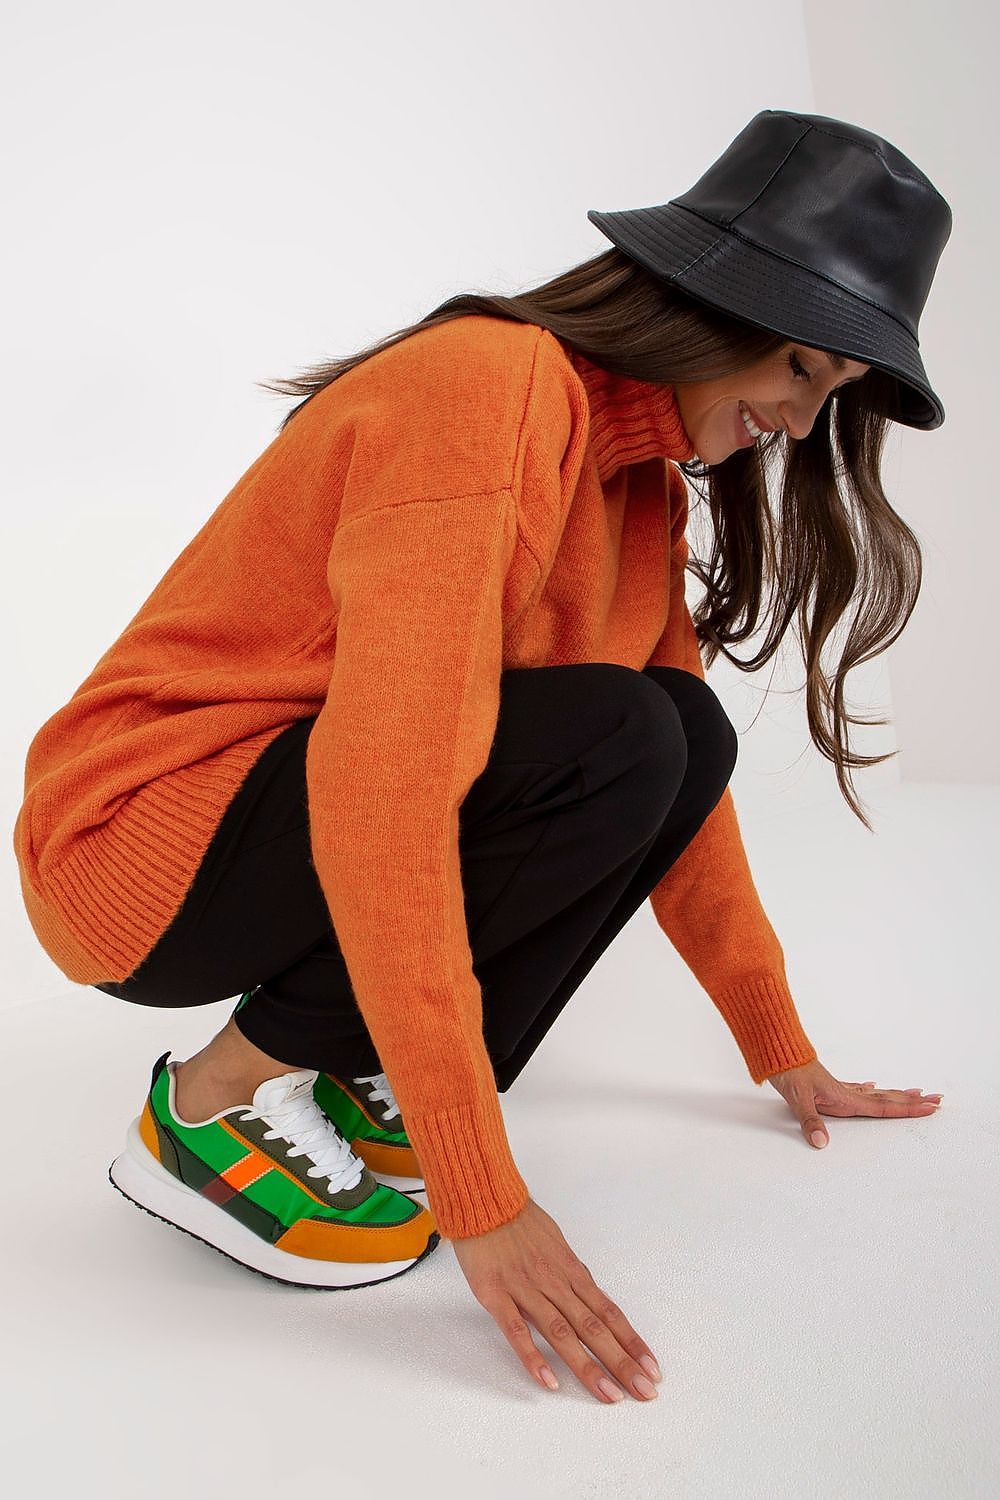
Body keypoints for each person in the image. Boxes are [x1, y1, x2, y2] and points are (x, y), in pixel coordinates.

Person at [11, 110, 950, 1403]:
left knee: (678, 729)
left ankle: (364, 1077)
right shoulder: (486, 388)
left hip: (273, 818)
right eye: (797, 368)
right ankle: (215, 1099)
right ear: (701, 302)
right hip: (139, 845)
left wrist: (775, 1040)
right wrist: (482, 1188)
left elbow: (681, 792)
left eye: (827, 397)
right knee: (620, 730)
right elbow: (384, 784)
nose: (793, 419)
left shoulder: (637, 488)